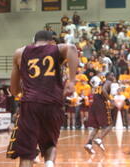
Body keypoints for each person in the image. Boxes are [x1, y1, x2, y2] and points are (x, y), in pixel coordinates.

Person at [6, 30, 79, 167]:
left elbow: (14, 90)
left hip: (30, 105)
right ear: (51, 41)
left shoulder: (20, 53)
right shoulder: (56, 48)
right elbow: (73, 48)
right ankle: (49, 163)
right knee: (50, 145)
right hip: (53, 103)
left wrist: (24, 89)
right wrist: (72, 81)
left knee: (27, 153)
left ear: (34, 42)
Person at [84, 72, 115, 154]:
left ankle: (89, 144)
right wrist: (110, 100)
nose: (114, 76)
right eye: (112, 75)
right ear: (108, 76)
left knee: (96, 127)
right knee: (110, 125)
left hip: (93, 104)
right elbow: (104, 91)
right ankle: (99, 139)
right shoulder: (108, 82)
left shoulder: (96, 84)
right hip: (101, 104)